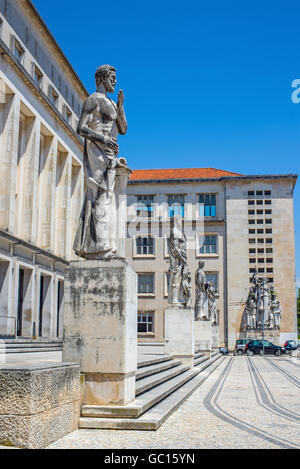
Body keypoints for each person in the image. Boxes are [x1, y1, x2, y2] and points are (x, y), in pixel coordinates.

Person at [74, 65, 127, 259]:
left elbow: (123, 129)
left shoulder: (112, 103)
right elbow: (81, 128)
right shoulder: (93, 100)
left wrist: (120, 107)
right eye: (111, 77)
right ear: (102, 79)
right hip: (97, 151)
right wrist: (103, 140)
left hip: (110, 154)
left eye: (115, 77)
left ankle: (102, 245)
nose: (114, 81)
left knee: (108, 198)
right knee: (99, 195)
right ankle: (99, 248)